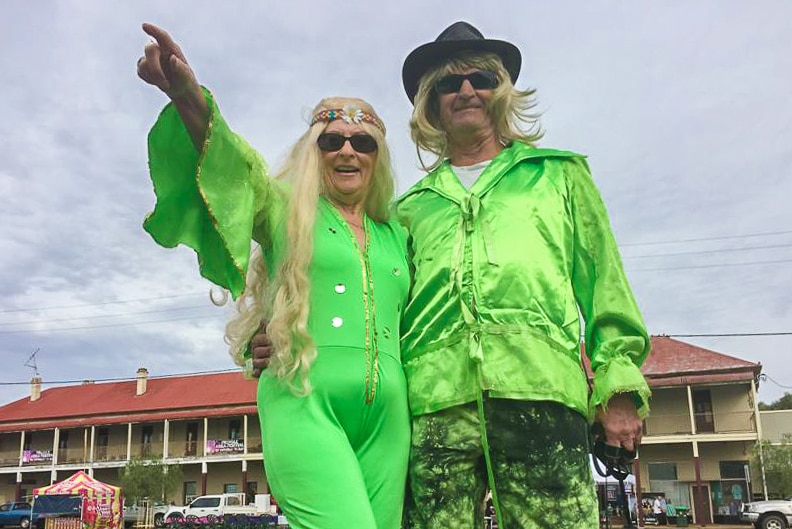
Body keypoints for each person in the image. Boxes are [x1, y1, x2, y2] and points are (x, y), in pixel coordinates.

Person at [252, 21, 652, 529]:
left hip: (540, 398)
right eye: (448, 83)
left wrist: (618, 387)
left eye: (481, 78)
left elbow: (605, 288)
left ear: (502, 91)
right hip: (433, 413)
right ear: (430, 103)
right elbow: (371, 295)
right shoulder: (407, 212)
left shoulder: (559, 177)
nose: (466, 91)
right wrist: (278, 334)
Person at [136, 23, 410, 529]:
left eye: (362, 142)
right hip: (304, 401)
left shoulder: (398, 234)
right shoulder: (287, 209)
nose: (347, 151)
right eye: (332, 140)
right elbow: (235, 171)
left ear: (378, 156)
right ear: (315, 150)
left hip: (390, 423)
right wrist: (188, 98)